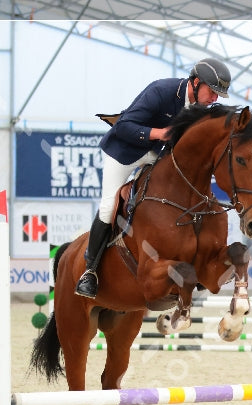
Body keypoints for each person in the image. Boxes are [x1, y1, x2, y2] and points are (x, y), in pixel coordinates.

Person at [75, 57, 232, 298]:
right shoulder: (162, 90)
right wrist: (159, 133)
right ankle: (90, 272)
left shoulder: (203, 110)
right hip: (124, 152)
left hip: (155, 156)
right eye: (212, 92)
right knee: (108, 207)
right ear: (196, 82)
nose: (214, 99)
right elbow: (123, 126)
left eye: (218, 95)